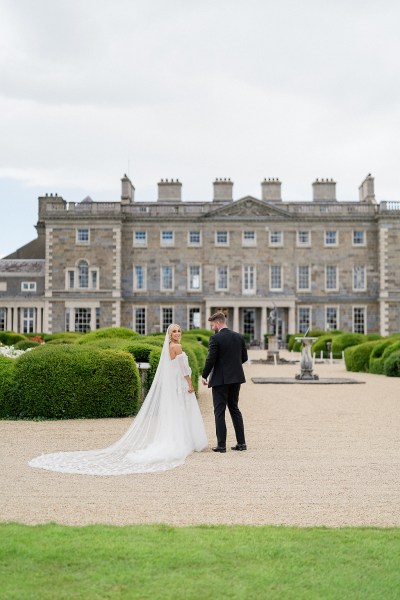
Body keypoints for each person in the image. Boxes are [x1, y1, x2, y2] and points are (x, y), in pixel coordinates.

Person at [29, 324, 207, 475]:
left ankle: (178, 440)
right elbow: (184, 370)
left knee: (175, 413)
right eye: (175, 331)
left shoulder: (167, 348)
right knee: (181, 412)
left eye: (179, 331)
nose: (178, 333)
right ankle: (182, 442)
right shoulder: (178, 348)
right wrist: (190, 384)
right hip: (180, 386)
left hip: (173, 386)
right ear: (170, 334)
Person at [201, 312, 248, 453]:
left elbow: (211, 359)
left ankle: (221, 445)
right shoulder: (239, 337)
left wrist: (204, 375)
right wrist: (232, 366)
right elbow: (244, 358)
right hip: (236, 378)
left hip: (220, 380)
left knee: (219, 411)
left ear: (217, 322)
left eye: (212, 325)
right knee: (234, 408)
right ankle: (241, 443)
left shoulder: (215, 338)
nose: (212, 327)